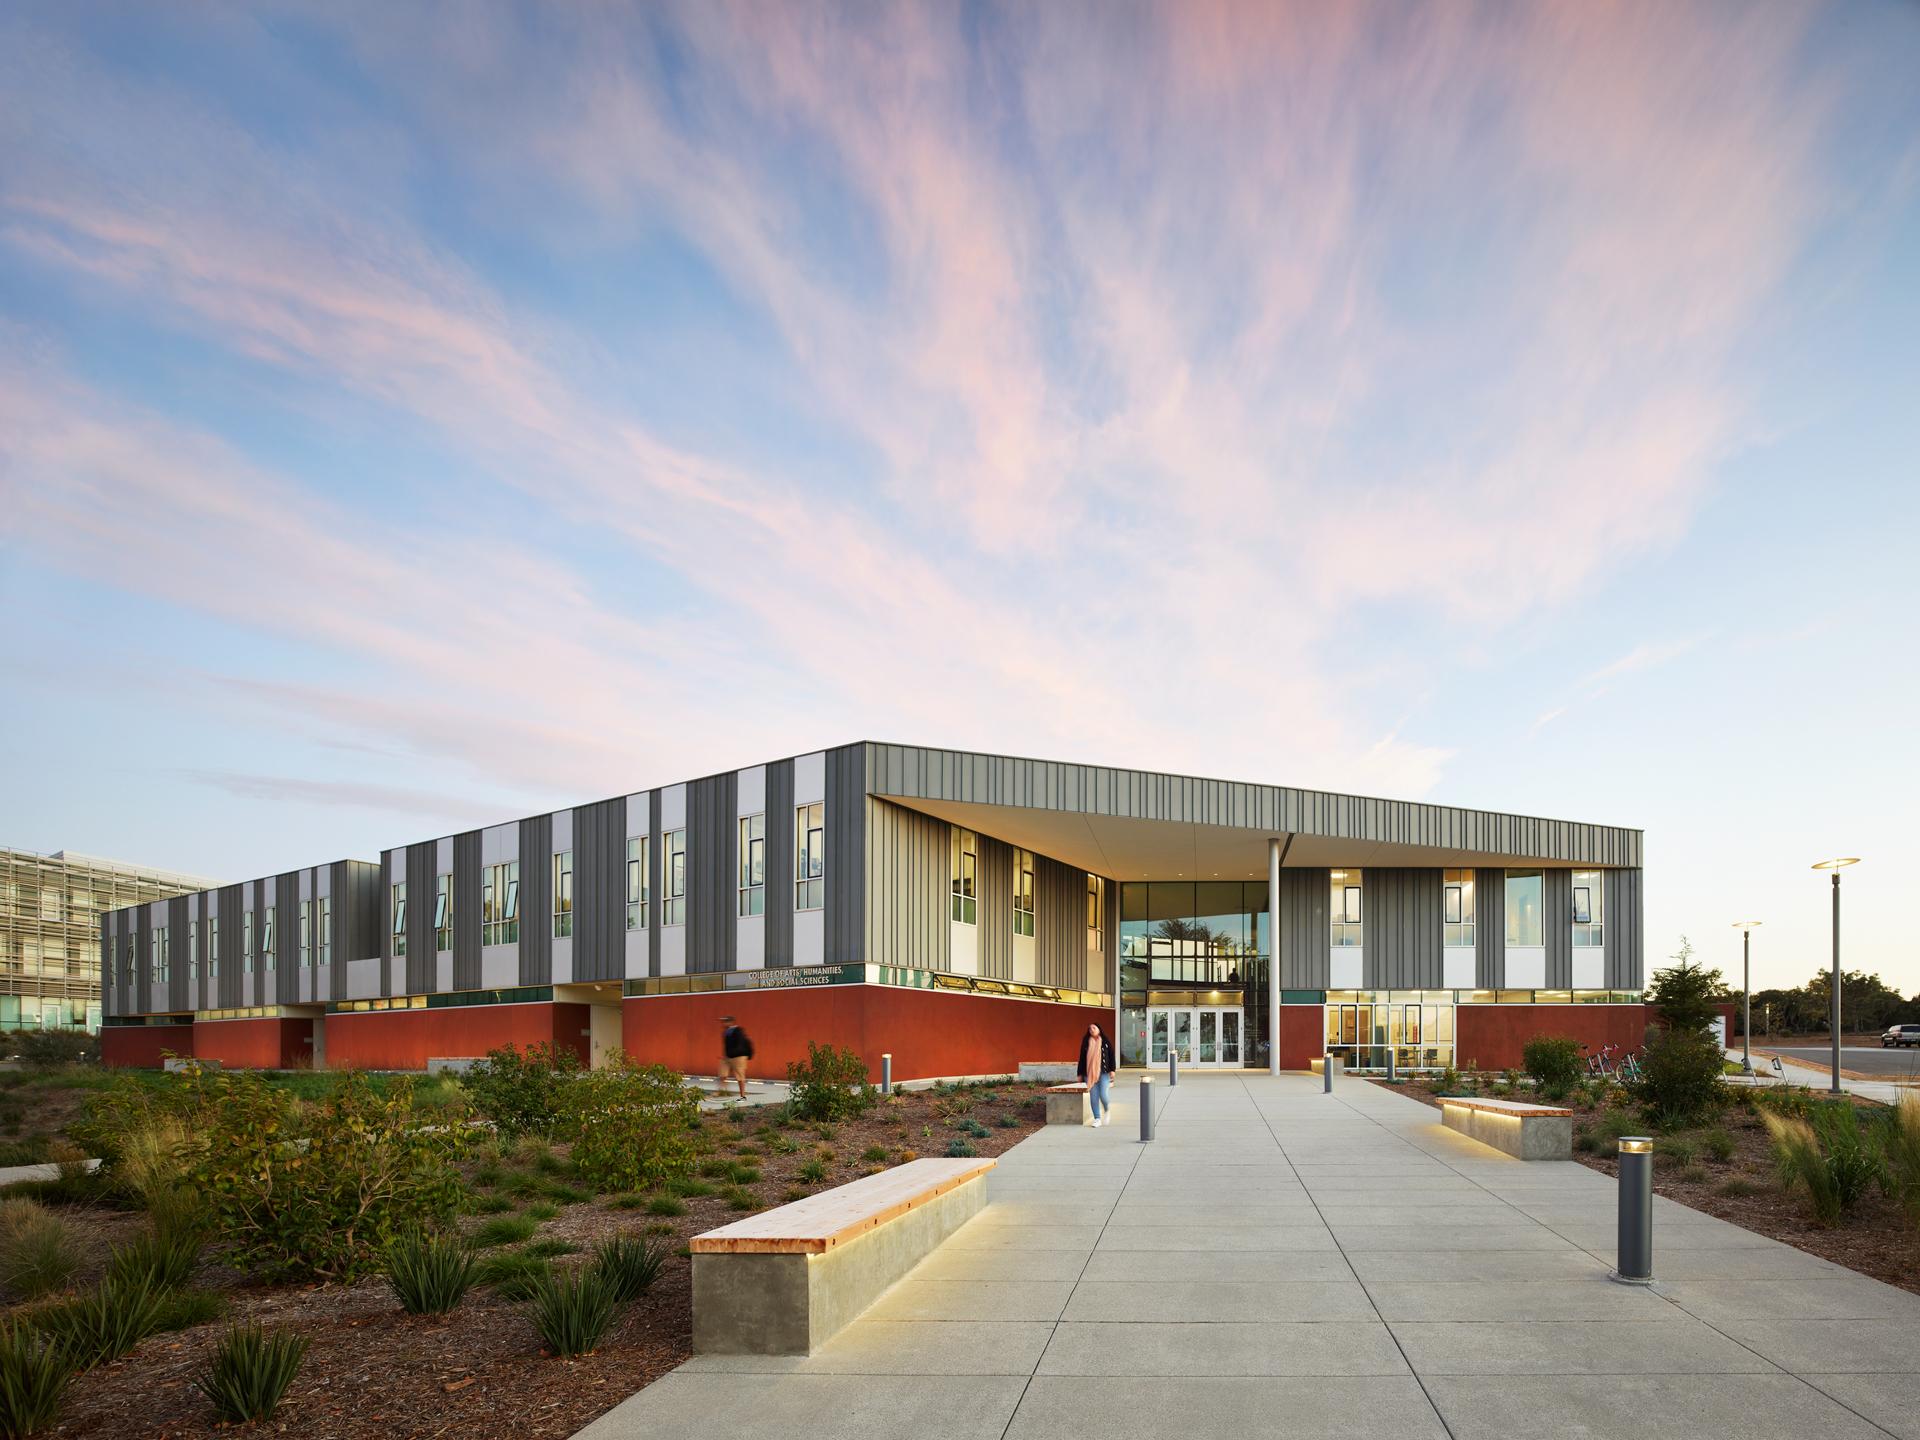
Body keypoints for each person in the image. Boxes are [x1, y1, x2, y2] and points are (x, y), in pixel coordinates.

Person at [1077, 1022, 1116, 1127]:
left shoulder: (1105, 1041)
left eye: (1094, 1028)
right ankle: (1097, 1119)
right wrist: (1080, 1073)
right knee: (1093, 1097)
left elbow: (1111, 1056)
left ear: (1099, 1029)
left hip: (1103, 1073)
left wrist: (1112, 1070)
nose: (1092, 1030)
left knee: (1103, 1094)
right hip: (1089, 1074)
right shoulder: (1086, 1042)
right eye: (1090, 1029)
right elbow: (1082, 1059)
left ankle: (1107, 1110)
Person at [718, 1016, 754, 1099]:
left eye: (725, 1022)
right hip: (728, 1057)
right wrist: (725, 1055)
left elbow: (741, 1044)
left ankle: (742, 1095)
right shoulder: (726, 1032)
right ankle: (721, 1092)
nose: (723, 1024)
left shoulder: (738, 1030)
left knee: (740, 1076)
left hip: (739, 1057)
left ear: (730, 1022)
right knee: (722, 1073)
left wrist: (737, 1053)